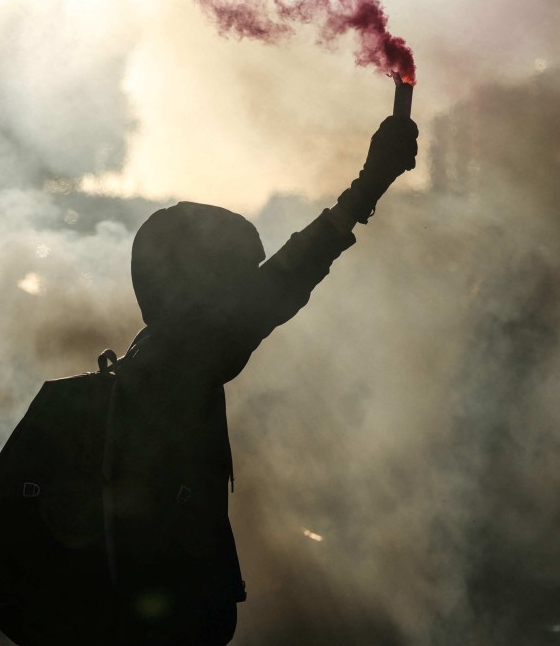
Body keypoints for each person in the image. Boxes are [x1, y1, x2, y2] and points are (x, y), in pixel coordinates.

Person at [103, 115, 419, 645]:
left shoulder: (152, 356)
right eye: (231, 280)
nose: (242, 294)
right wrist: (367, 187)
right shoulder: (182, 358)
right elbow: (281, 284)